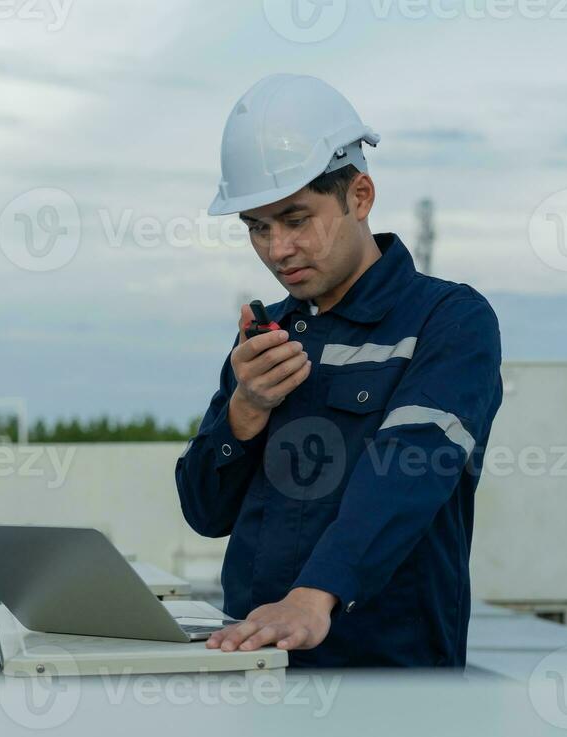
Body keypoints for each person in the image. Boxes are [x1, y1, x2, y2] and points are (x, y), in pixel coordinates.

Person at [176, 74, 503, 668]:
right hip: (258, 674)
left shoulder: (448, 321)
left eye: (296, 219)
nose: (278, 250)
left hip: (389, 692)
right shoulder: (264, 335)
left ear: (360, 196)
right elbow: (204, 512)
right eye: (257, 226)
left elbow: (408, 469)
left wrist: (313, 595)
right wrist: (244, 410)